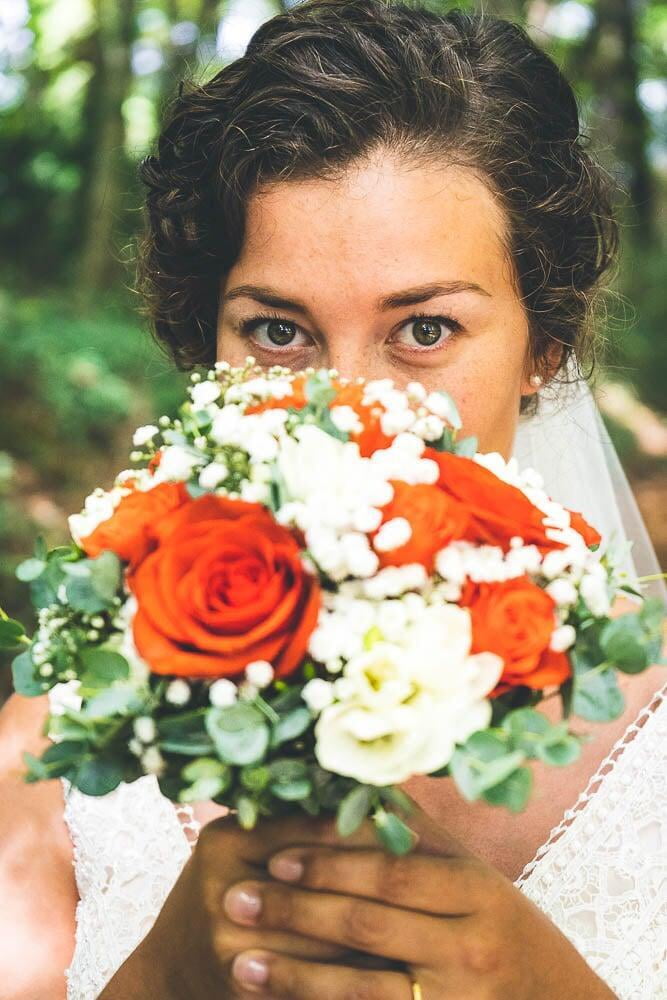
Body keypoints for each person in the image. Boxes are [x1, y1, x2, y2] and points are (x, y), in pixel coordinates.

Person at [1, 1, 665, 997]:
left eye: (426, 331)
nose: (346, 408)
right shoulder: (58, 745)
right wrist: (163, 978)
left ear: (543, 349)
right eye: (277, 333)